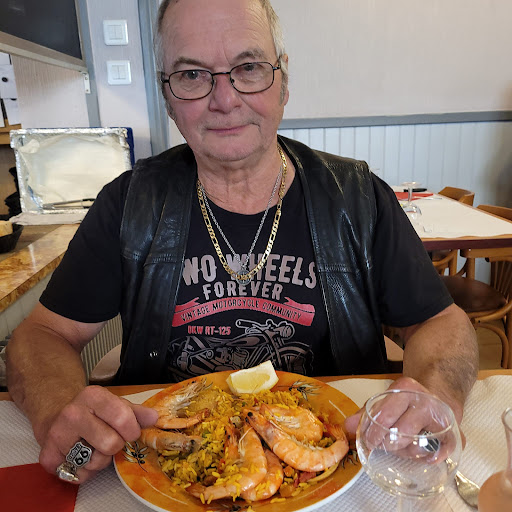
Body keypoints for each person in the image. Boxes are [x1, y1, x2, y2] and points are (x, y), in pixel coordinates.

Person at [6, 0, 478, 485]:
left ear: (283, 81)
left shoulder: (358, 198)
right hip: (167, 477)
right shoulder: (128, 204)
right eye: (192, 75)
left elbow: (441, 322)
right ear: (167, 95)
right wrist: (57, 409)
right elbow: (41, 336)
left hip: (343, 473)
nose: (225, 99)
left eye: (249, 68)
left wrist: (436, 396)